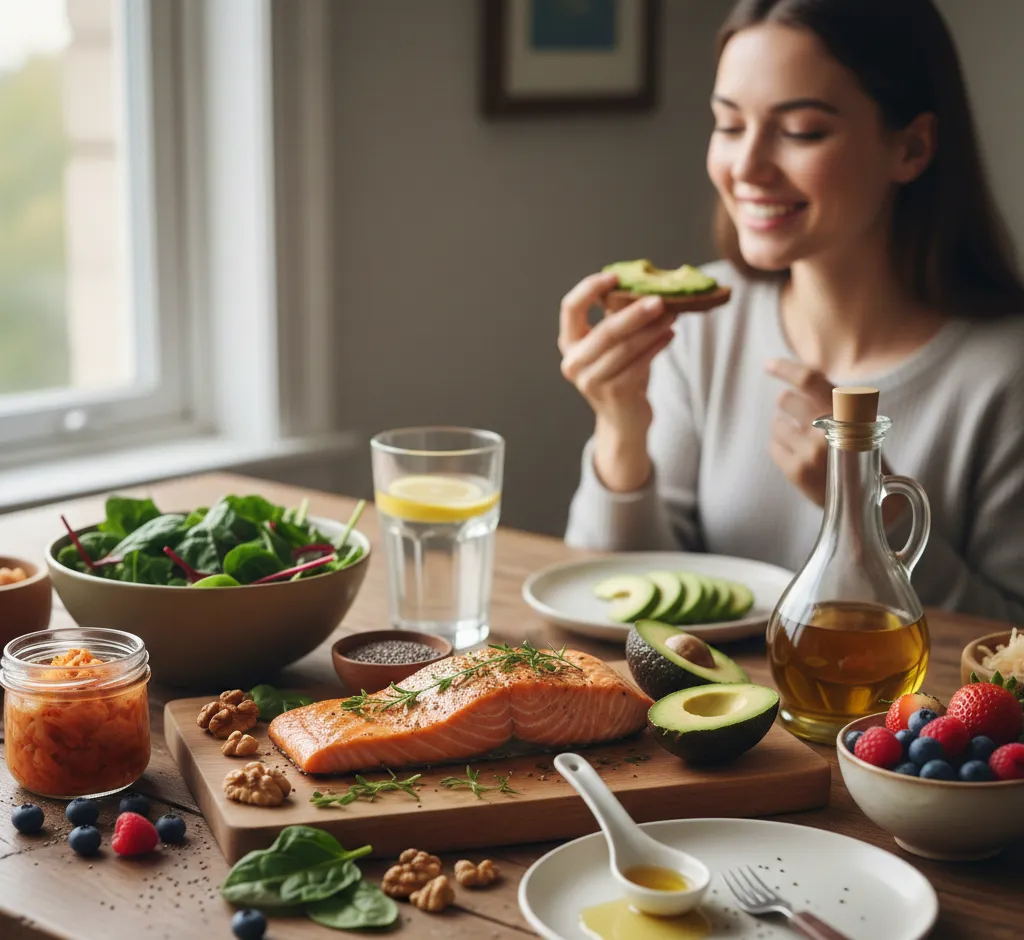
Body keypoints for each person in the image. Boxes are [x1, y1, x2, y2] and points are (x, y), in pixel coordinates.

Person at [560, 0, 1024, 622]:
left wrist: (872, 516)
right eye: (728, 125)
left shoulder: (1007, 374)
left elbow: (1008, 650)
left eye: (801, 130)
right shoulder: (701, 330)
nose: (746, 167)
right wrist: (620, 429)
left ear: (911, 148)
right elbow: (612, 604)